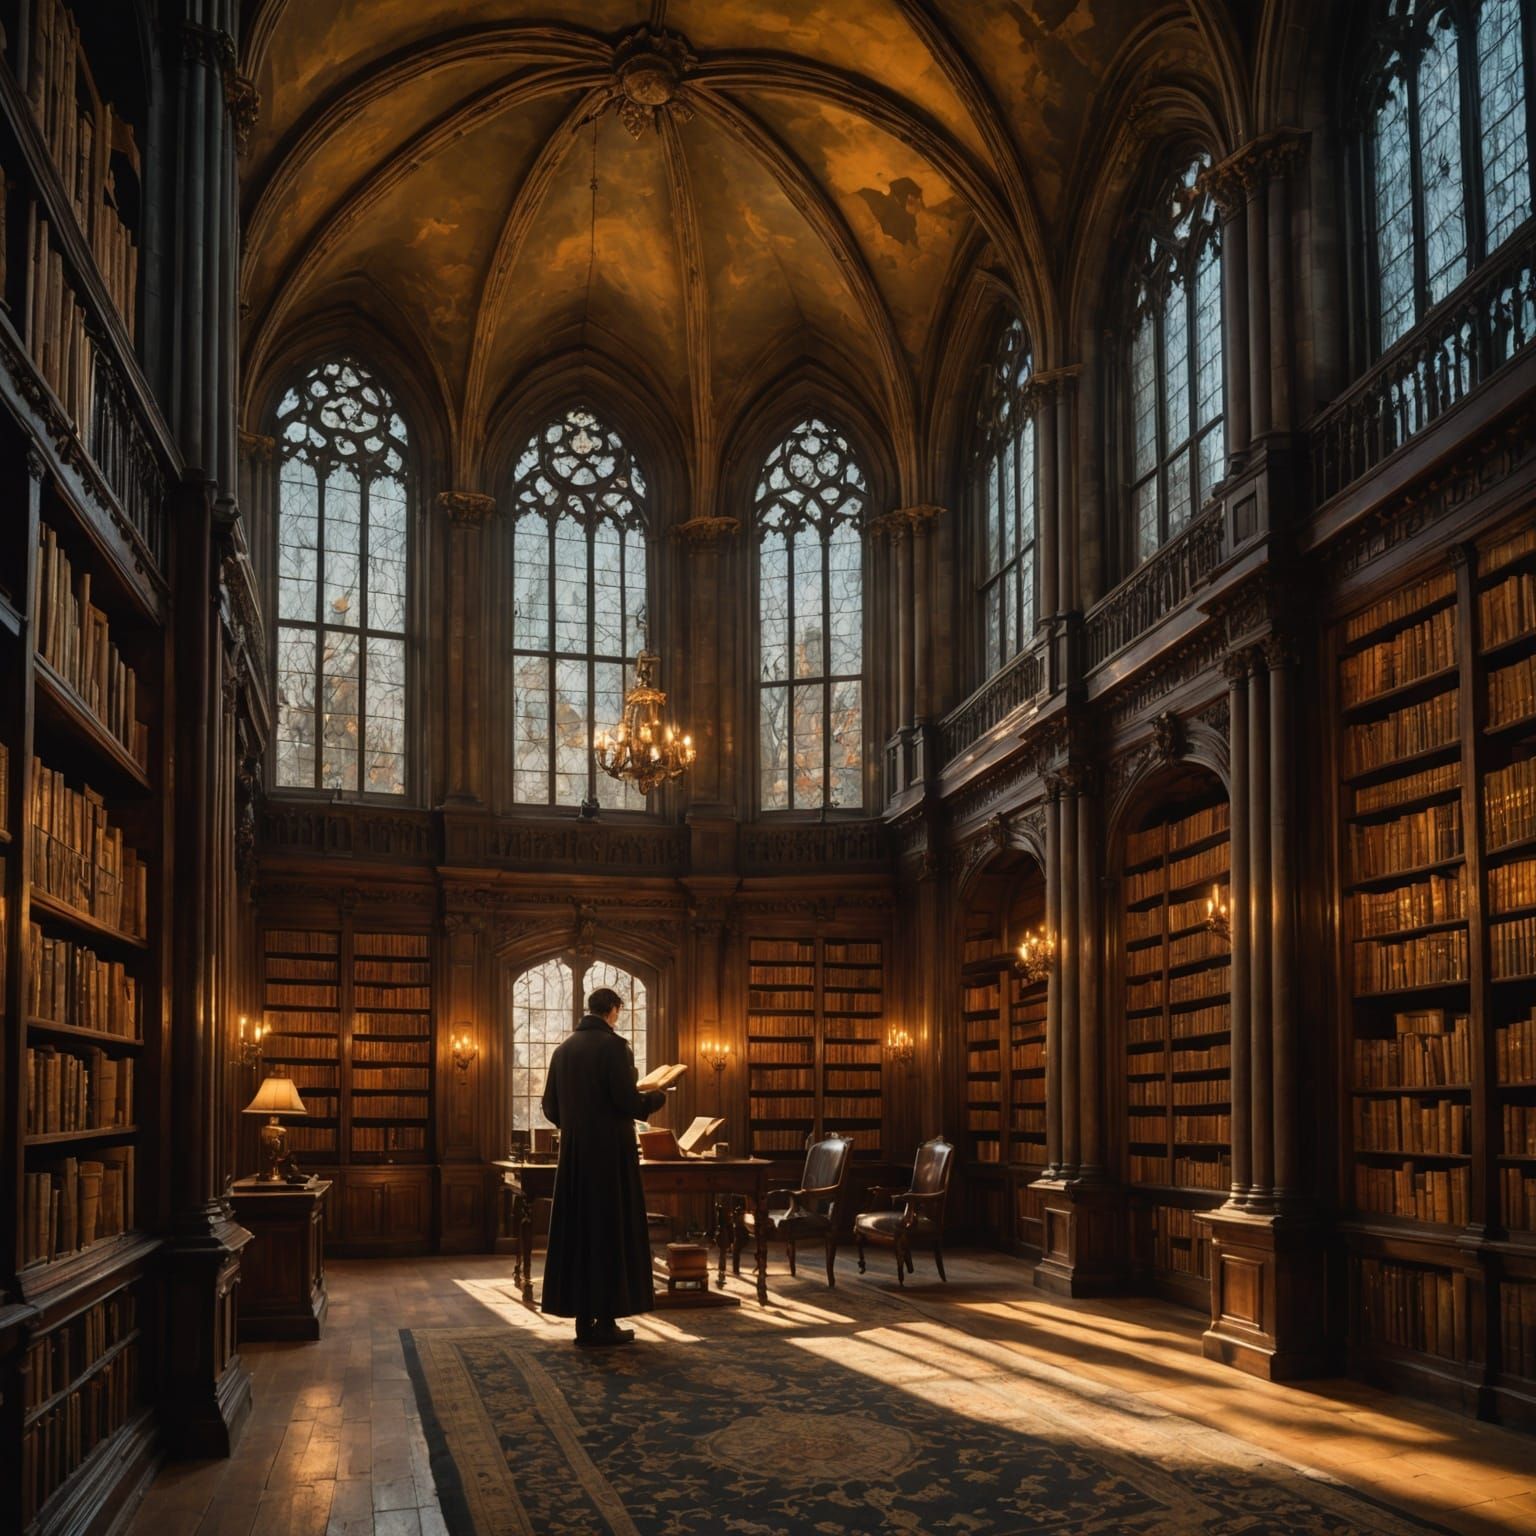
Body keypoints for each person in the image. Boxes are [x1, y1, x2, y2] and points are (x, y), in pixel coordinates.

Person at [539, 986, 668, 1347]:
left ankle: (583, 1321)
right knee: (610, 1232)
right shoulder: (614, 1047)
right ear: (613, 1010)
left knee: (579, 1234)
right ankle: (607, 1320)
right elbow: (628, 1102)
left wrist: (578, 1124)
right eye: (618, 1012)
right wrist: (657, 1095)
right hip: (610, 1157)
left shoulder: (563, 1051)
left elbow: (550, 1108)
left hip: (576, 1158)